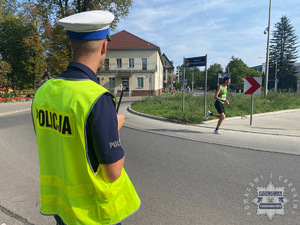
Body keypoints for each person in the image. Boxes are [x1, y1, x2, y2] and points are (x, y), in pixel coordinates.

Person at [31, 10, 140, 225]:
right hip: (93, 215)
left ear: (72, 46)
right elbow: (113, 172)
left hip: (62, 207)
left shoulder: (43, 92)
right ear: (104, 47)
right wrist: (113, 127)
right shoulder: (96, 97)